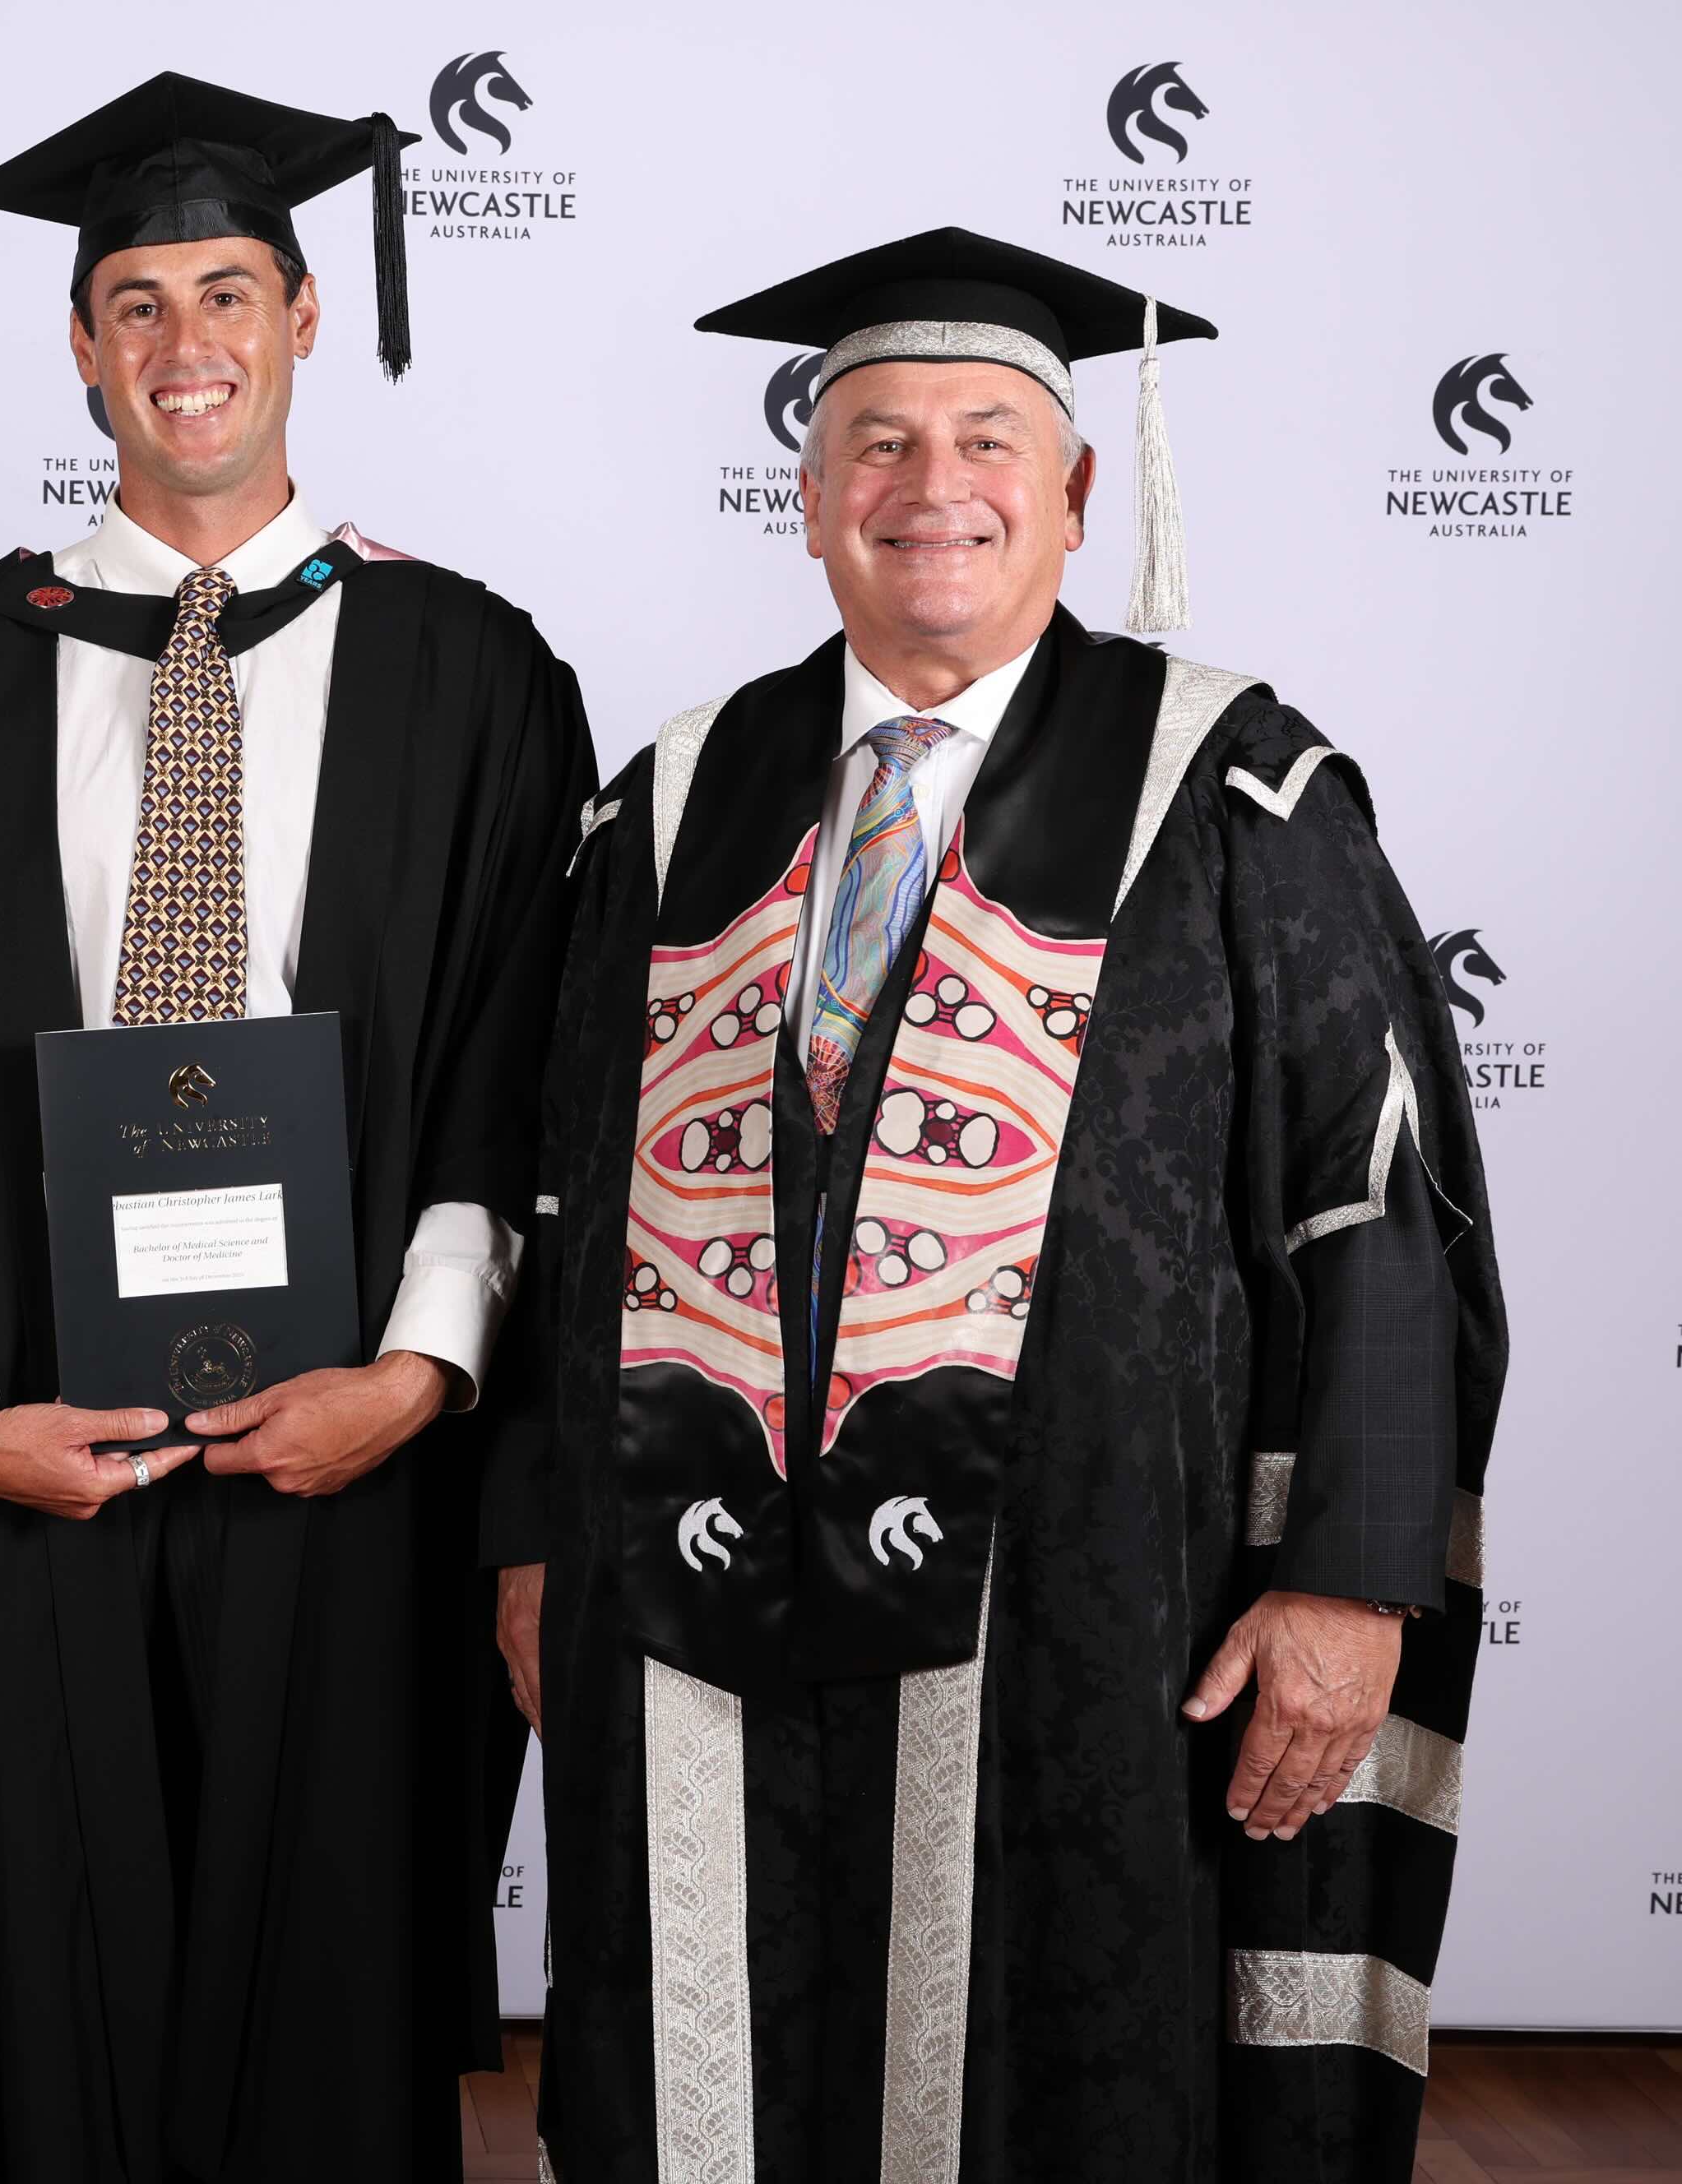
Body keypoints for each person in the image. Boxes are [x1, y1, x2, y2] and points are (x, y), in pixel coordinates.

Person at [496, 229, 1506, 2182]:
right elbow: (571, 1195)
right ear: (806, 500)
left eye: (984, 439)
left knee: (1054, 2068)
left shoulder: (1238, 791)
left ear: (1074, 492)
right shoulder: (673, 797)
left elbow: (1374, 1207)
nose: (928, 486)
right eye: (875, 441)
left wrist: (1352, 1573)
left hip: (1080, 1626)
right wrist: (537, 1532)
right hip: (702, 1596)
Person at [0, 73, 595, 2183]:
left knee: (323, 2012)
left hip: (347, 1459)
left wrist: (418, 1376)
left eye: (226, 291)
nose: (184, 347)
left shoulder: (475, 674)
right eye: (134, 304)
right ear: (81, 345)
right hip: (32, 1451)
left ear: (308, 315)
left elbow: (523, 1064)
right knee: (26, 2003)